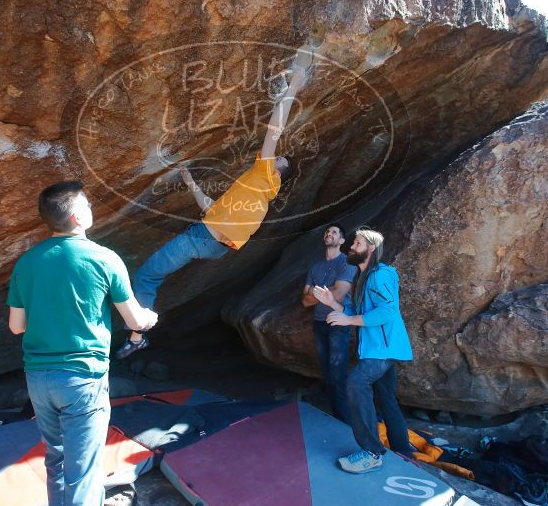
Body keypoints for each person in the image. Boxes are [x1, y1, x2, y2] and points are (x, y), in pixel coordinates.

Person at [115, 44, 315, 359]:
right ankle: (136, 327)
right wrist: (191, 183)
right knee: (161, 267)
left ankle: (137, 335)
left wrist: (293, 86)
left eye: (277, 158)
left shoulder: (266, 175)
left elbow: (274, 130)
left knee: (146, 275)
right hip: (215, 245)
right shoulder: (255, 191)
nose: (271, 155)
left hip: (205, 238)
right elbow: (210, 209)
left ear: (279, 169)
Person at [7, 181, 157, 506]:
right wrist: (149, 318)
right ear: (77, 217)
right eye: (87, 205)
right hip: (82, 379)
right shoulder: (104, 259)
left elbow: (16, 327)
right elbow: (134, 321)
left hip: (38, 379)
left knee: (56, 458)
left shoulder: (27, 262)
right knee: (84, 471)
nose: (91, 209)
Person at [313, 228, 413, 474]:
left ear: (370, 248)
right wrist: (331, 303)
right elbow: (355, 315)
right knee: (387, 399)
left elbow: (388, 311)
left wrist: (348, 321)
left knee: (356, 383)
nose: (351, 247)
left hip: (384, 349)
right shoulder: (364, 279)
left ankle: (371, 452)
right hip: (377, 350)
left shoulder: (380, 274)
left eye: (357, 243)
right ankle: (403, 451)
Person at [301, 223, 357, 422]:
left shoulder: (346, 263)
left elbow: (340, 294)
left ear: (341, 240)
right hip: (319, 322)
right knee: (327, 372)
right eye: (327, 231)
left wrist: (316, 292)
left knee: (337, 374)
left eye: (334, 232)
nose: (329, 234)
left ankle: (346, 422)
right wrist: (327, 292)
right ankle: (336, 416)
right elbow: (304, 300)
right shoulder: (315, 267)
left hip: (338, 323)